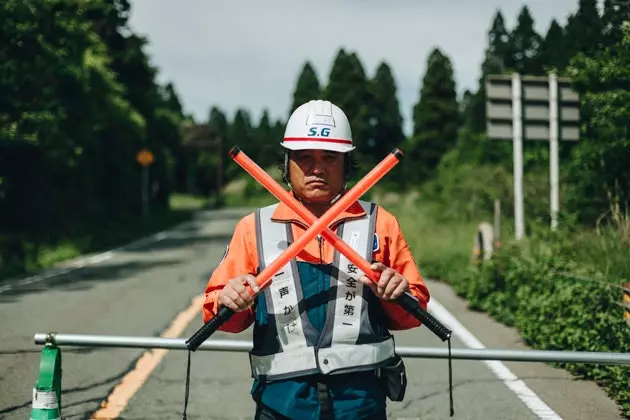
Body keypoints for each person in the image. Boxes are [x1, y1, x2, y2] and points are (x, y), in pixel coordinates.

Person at [202, 99, 430, 420]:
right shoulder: (253, 228)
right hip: (280, 404)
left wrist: (396, 294)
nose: (317, 168)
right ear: (287, 162)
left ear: (346, 163)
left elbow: (412, 314)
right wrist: (231, 300)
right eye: (305, 157)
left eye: (330, 157)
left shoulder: (381, 223)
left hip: (361, 404)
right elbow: (222, 317)